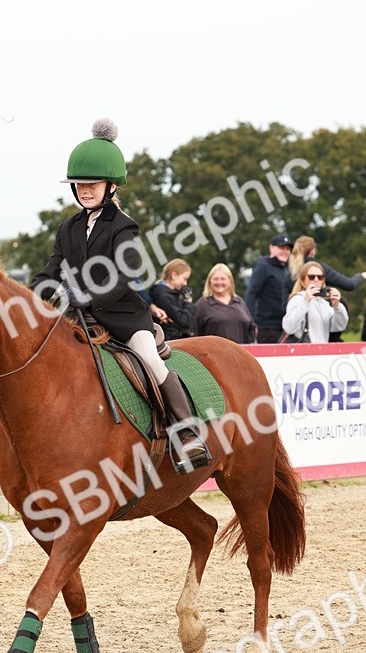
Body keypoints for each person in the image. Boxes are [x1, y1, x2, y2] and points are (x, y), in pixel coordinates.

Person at [30, 118, 210, 473]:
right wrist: (32, 298)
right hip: (78, 318)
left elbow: (124, 277)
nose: (84, 190)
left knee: (149, 358)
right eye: (79, 185)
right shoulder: (68, 227)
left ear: (110, 186)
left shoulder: (123, 226)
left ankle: (188, 432)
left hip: (123, 316)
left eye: (92, 184)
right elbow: (51, 271)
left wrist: (87, 296)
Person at [245, 233, 293, 344]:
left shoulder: (288, 269)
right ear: (271, 247)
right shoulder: (263, 266)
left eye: (287, 249)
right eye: (281, 247)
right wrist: (250, 322)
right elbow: (251, 294)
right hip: (267, 327)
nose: (285, 251)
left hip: (285, 327)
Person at [282, 262, 348, 343]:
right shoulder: (297, 299)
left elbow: (339, 327)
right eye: (311, 277)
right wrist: (305, 302)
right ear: (303, 280)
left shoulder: (324, 302)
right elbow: (288, 328)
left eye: (320, 277)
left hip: (321, 351)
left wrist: (337, 306)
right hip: (302, 351)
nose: (316, 280)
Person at [195, 264, 256, 344]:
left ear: (230, 281)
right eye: (215, 279)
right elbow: (194, 334)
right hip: (213, 355)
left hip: (240, 354)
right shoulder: (203, 304)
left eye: (223, 279)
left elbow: (251, 328)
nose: (219, 282)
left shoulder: (239, 302)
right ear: (210, 281)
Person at [149, 259, 195, 341]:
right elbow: (184, 321)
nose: (185, 283)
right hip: (170, 343)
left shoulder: (168, 294)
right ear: (174, 275)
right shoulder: (163, 296)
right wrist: (188, 302)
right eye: (185, 279)